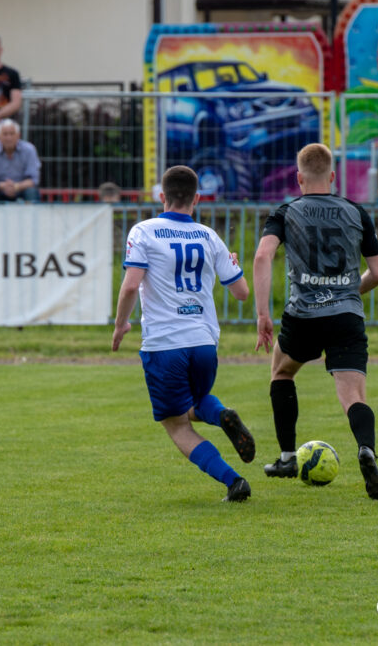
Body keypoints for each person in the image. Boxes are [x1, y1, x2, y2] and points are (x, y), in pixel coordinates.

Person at [111, 165, 255, 503]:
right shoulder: (208, 235)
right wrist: (232, 262)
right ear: (197, 198)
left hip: (165, 343)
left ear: (162, 196)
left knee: (175, 423)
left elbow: (131, 286)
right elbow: (242, 293)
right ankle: (220, 414)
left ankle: (234, 482)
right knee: (195, 403)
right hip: (204, 342)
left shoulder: (144, 231)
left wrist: (121, 324)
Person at [252, 143, 378, 500]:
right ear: (332, 176)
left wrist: (263, 314)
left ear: (299, 178)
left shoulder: (286, 212)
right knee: (353, 395)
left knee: (282, 372)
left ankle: (286, 458)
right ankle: (366, 449)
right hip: (346, 315)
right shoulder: (356, 211)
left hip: (303, 316)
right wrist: (347, 291)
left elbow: (263, 256)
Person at [0, 119, 40, 202]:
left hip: (21, 189)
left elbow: (34, 179)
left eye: (12, 134)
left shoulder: (29, 150)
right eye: (5, 134)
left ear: (18, 135)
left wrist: (16, 186)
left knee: (31, 192)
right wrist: (3, 186)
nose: (9, 138)